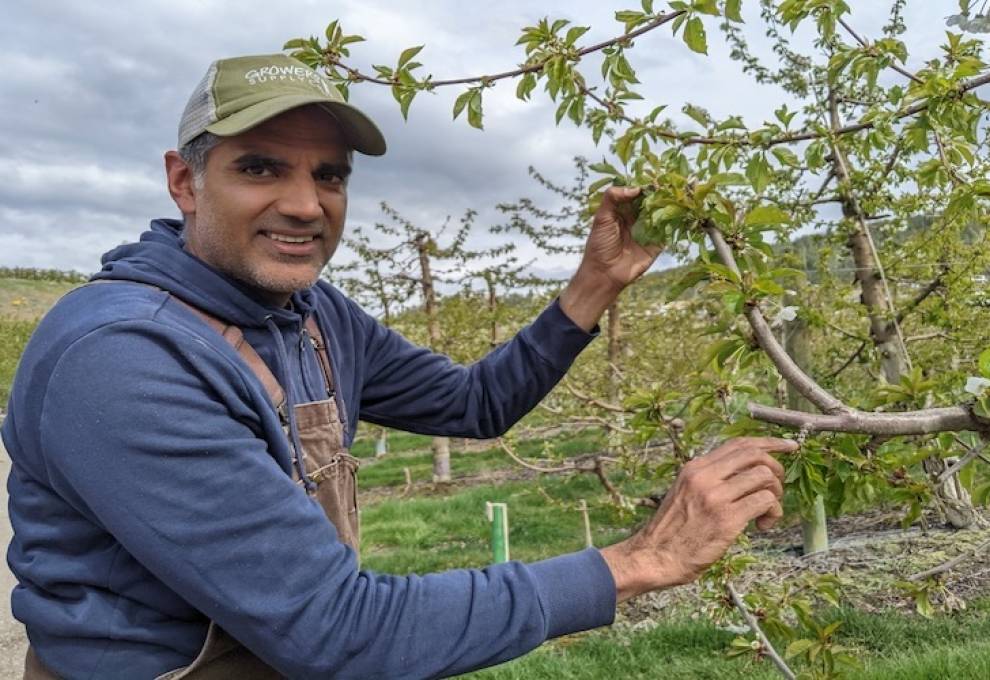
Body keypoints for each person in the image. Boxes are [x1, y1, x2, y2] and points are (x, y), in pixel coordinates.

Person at [2, 53, 796, 679]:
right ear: (185, 180)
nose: (306, 204)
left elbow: (474, 404)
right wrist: (641, 560)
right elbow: (340, 630)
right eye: (260, 167)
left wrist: (595, 285)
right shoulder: (124, 359)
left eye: (330, 175)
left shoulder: (312, 316)